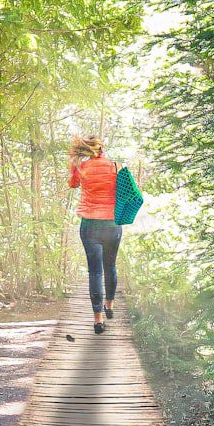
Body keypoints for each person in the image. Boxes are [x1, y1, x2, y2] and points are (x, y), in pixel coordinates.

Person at [67, 134, 122, 334]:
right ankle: (110, 306)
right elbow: (125, 191)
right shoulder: (116, 166)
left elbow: (73, 184)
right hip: (112, 223)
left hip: (89, 224)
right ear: (102, 149)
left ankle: (98, 319)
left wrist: (73, 163)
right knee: (110, 266)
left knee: (95, 272)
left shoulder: (82, 167)